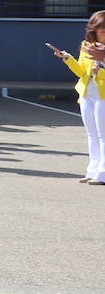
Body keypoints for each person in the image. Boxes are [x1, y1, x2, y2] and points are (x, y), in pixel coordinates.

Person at [47, 11, 105, 185]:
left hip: (103, 95)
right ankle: (93, 170)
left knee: (103, 135)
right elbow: (81, 71)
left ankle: (102, 173)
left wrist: (101, 65)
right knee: (92, 134)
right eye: (101, 28)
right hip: (87, 93)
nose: (104, 31)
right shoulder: (86, 45)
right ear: (93, 29)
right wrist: (67, 59)